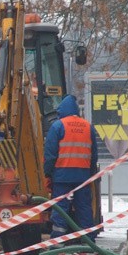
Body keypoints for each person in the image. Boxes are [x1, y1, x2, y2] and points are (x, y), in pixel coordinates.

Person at [44, 95, 98, 242]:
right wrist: (90, 173)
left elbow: (50, 154)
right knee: (84, 208)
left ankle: (58, 240)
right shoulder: (88, 126)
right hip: (82, 175)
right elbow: (94, 154)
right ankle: (89, 240)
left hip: (62, 175)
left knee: (61, 208)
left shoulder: (58, 126)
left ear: (61, 111)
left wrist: (48, 173)